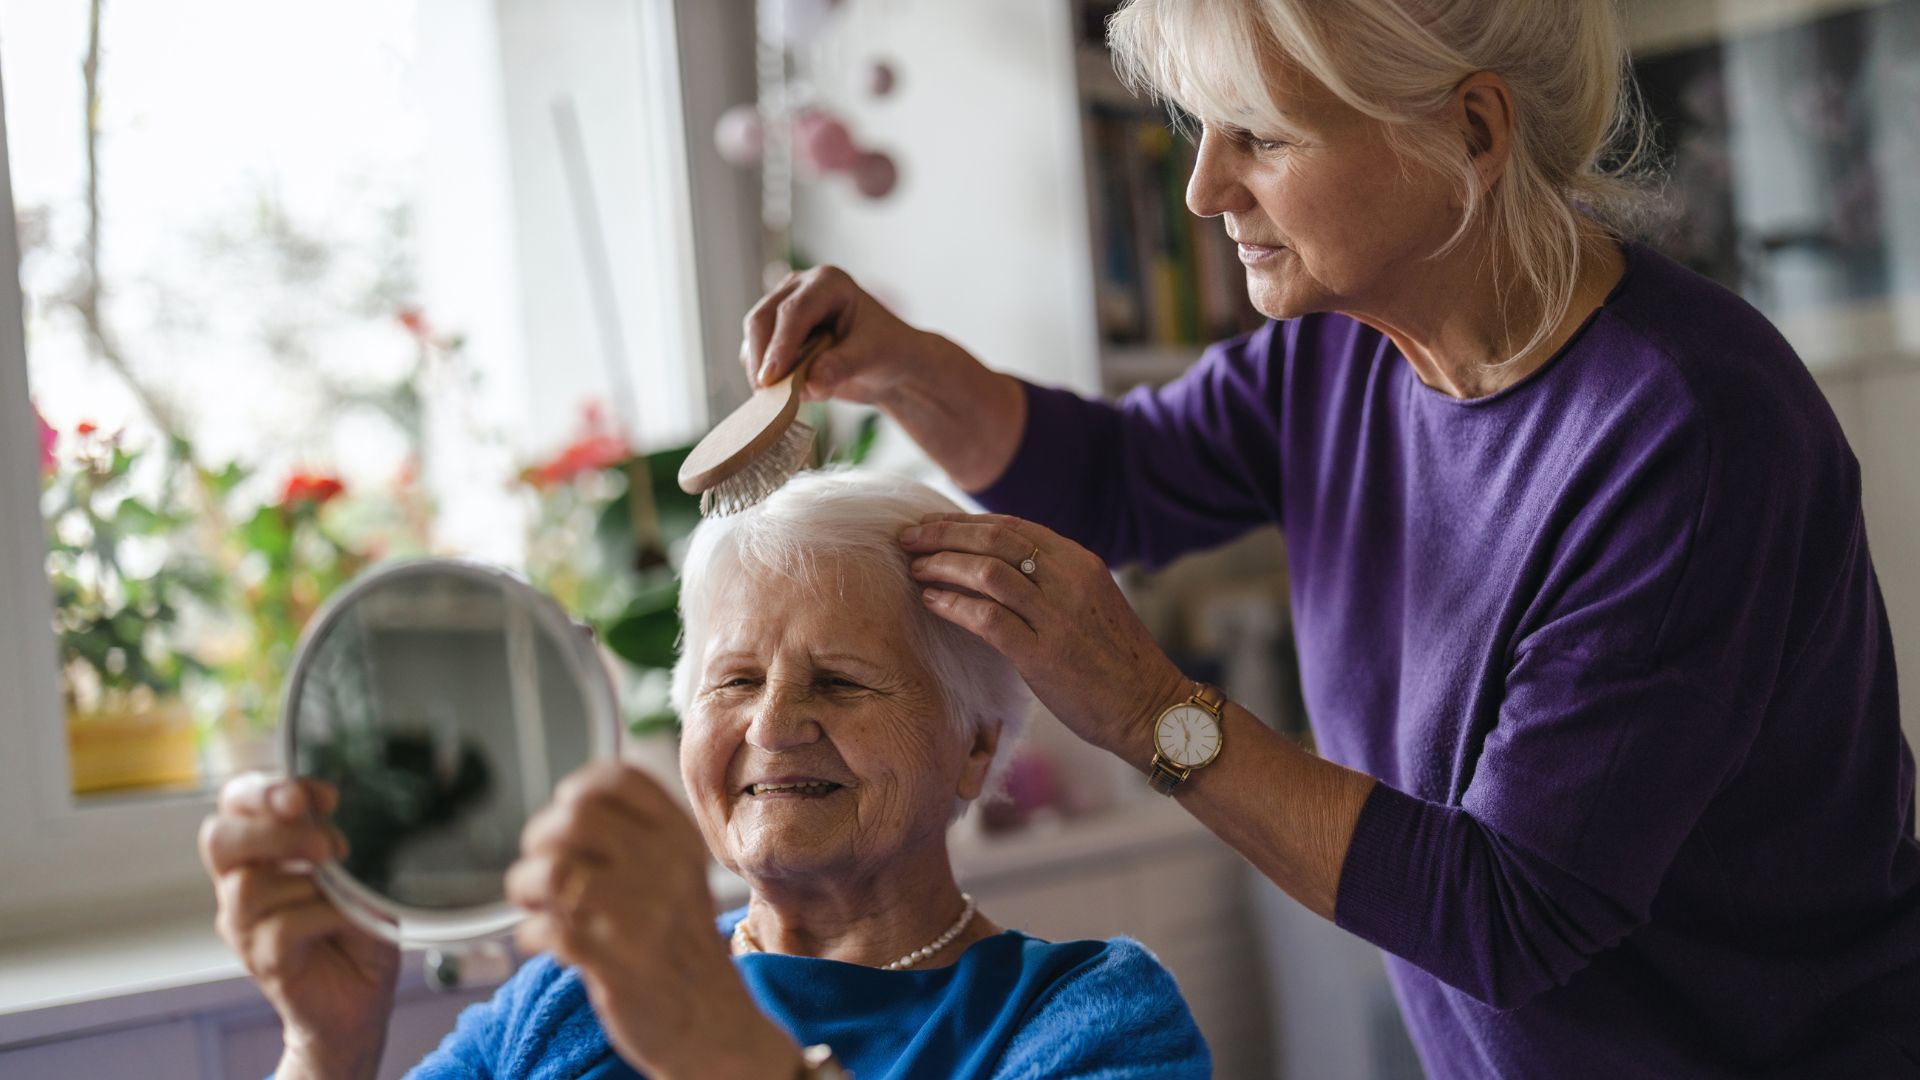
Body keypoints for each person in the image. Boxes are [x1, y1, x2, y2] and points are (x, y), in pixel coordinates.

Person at [739, 1, 1920, 1076]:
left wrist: (1150, 712)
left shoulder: (1685, 435)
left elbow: (1510, 914)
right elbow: (1117, 478)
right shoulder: (1347, 342)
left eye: (1260, 135)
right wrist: (902, 365)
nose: (1204, 189)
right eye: (1202, 129)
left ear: (1471, 132)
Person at [197, 470, 1210, 1080]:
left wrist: (722, 1051)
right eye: (732, 681)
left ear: (977, 743)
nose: (773, 725)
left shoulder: (1086, 1018)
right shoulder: (565, 1000)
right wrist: (326, 1046)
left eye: (844, 682)